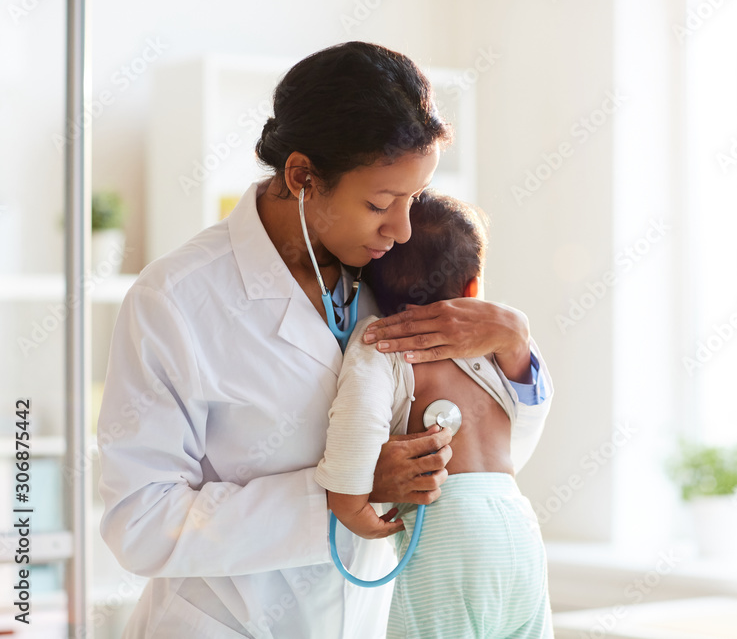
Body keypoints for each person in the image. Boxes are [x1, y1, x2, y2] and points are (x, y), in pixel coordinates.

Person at [97, 41, 552, 638]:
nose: (403, 228)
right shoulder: (176, 299)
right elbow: (140, 523)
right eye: (380, 203)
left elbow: (487, 460)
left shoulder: (396, 277)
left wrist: (516, 351)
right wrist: (344, 493)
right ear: (302, 176)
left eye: (414, 199)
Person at [315, 192, 553, 638]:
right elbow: (532, 404)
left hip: (450, 527)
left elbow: (359, 417)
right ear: (473, 287)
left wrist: (347, 499)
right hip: (517, 524)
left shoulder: (381, 337)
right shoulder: (495, 348)